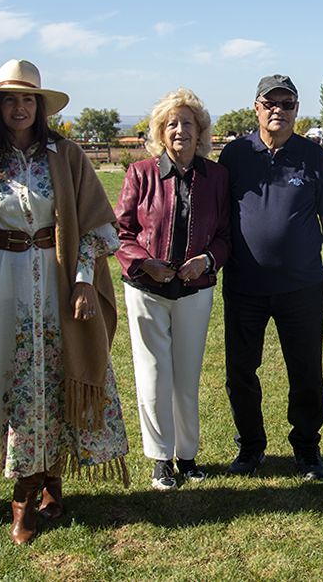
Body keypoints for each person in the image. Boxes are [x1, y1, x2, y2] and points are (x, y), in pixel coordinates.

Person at [0, 59, 128, 545]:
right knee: (13, 375)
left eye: (28, 99)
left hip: (57, 277)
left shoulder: (65, 154)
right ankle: (25, 487)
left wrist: (82, 281)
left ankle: (47, 480)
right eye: (11, 99)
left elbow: (95, 223)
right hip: (2, 279)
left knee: (57, 372)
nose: (20, 107)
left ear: (40, 106)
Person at [218, 74, 323, 480]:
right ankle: (251, 447)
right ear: (256, 107)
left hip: (301, 287)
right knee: (240, 372)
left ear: (296, 111)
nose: (278, 111)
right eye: (270, 103)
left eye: (287, 104)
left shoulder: (313, 156)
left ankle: (306, 448)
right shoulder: (235, 156)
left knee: (305, 372)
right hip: (244, 287)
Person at [115, 88, 230, 491]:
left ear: (201, 132)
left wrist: (207, 261)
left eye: (188, 123)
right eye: (172, 124)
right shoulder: (140, 173)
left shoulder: (215, 176)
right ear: (161, 132)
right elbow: (122, 231)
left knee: (187, 374)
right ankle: (160, 459)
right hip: (146, 289)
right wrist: (145, 262)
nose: (181, 130)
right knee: (153, 374)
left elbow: (224, 236)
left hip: (195, 290)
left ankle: (187, 455)